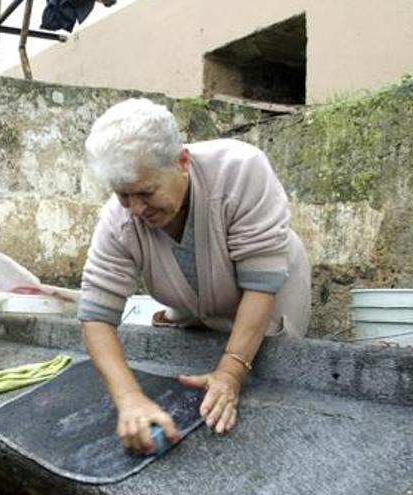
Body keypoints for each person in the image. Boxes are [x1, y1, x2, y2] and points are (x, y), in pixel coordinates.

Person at [78, 98, 310, 454]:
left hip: (268, 295)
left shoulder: (240, 170)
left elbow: (261, 284)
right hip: (193, 303)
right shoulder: (119, 219)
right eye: (123, 195)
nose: (136, 210)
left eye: (146, 192)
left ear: (182, 162)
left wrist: (231, 373)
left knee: (276, 367)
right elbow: (95, 314)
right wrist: (129, 398)